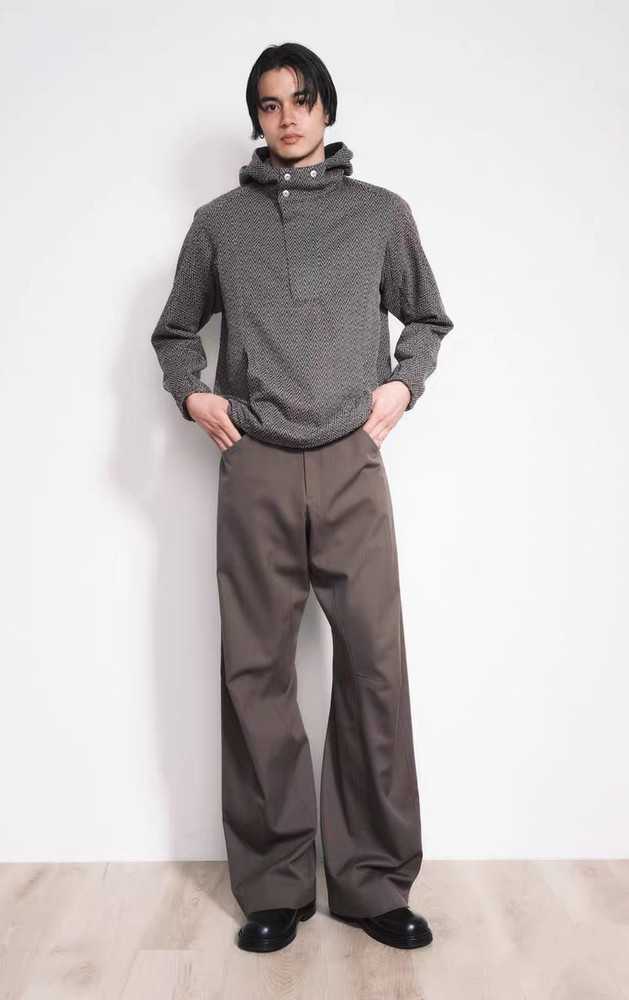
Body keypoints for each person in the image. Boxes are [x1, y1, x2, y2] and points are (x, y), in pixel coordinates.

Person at [151, 41, 454, 953]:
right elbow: (175, 332)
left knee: (374, 667)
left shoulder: (381, 214)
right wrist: (195, 395)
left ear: (327, 108)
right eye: (271, 104)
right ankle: (276, 885)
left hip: (352, 461)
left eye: (302, 100)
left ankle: (373, 883)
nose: (288, 118)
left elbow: (427, 318)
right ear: (257, 117)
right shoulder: (218, 224)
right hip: (257, 465)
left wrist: (402, 386)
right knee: (256, 671)